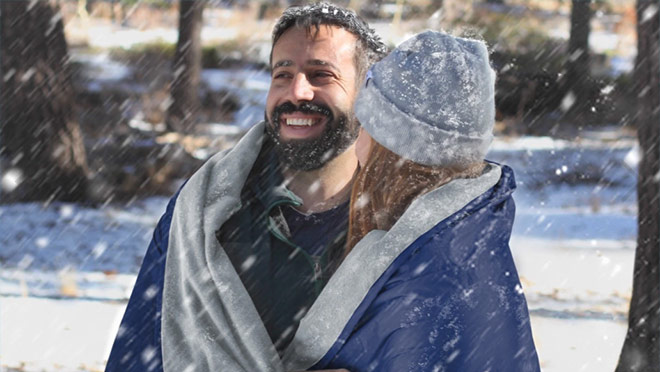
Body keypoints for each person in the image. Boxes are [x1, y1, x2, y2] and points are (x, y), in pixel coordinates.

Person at [105, 3, 386, 372]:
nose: (297, 91)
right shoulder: (205, 210)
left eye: (321, 75)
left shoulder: (411, 214)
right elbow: (141, 355)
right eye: (282, 74)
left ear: (369, 92)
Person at [280, 31, 541, 371]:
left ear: (392, 151)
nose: (356, 144)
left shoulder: (423, 279)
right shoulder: (461, 244)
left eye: (364, 127)